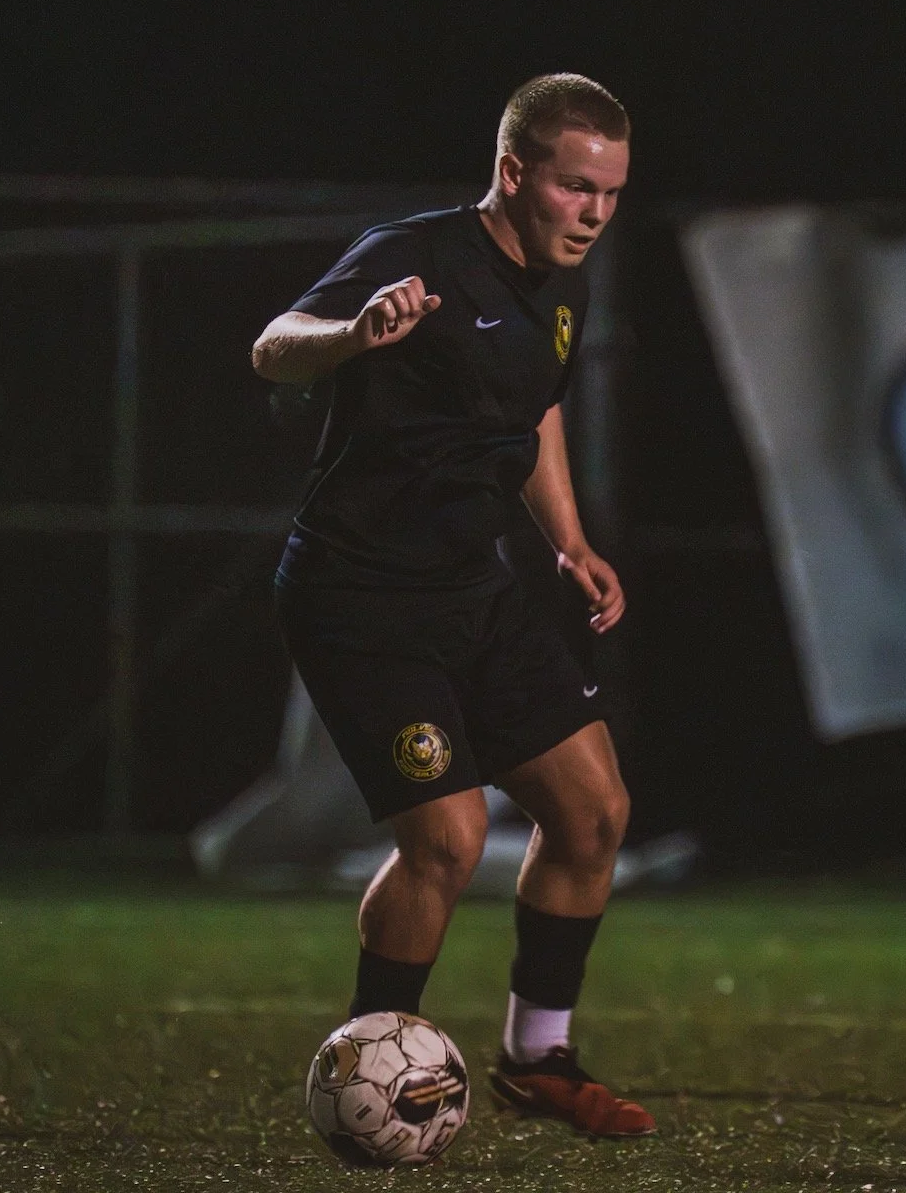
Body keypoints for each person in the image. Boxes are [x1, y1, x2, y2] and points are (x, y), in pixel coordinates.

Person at [252, 73, 655, 1139]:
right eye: (576, 188)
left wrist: (568, 541)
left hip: (475, 583)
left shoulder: (564, 282)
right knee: (448, 839)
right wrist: (351, 336)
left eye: (611, 192)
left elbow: (538, 409)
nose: (595, 212)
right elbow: (271, 343)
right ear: (514, 172)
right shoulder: (414, 253)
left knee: (593, 807)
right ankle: (368, 1075)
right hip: (360, 593)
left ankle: (538, 1057)